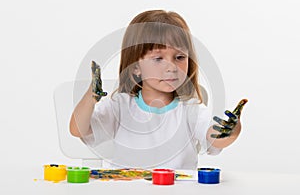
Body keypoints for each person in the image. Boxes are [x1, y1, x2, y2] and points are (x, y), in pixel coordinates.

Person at [69, 10, 247, 169]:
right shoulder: (120, 105)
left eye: (179, 57)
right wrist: (90, 98)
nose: (171, 67)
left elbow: (214, 139)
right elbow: (78, 130)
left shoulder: (191, 109)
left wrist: (232, 129)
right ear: (135, 67)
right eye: (158, 59)